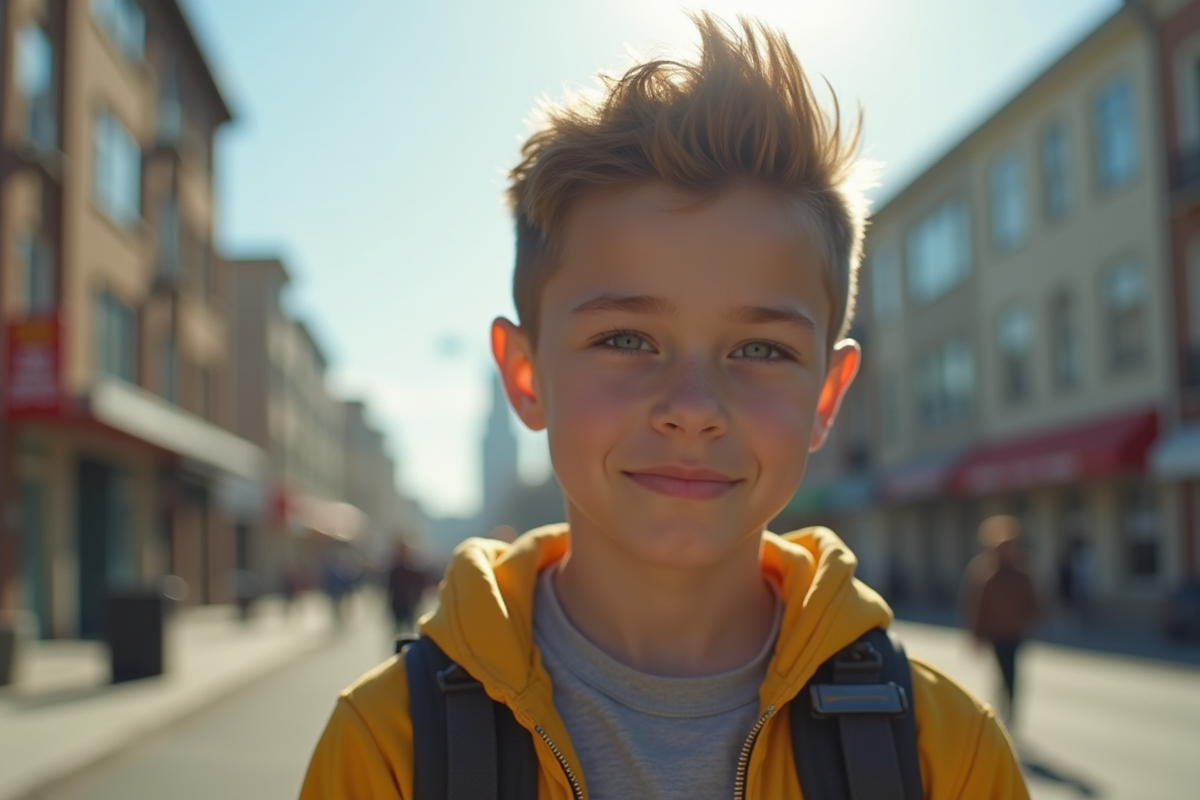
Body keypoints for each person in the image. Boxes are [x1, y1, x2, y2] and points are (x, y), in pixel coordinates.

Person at [300, 14, 1028, 799]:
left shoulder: (944, 755)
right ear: (525, 374)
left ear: (827, 397)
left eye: (760, 350)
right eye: (625, 339)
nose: (692, 409)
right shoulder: (388, 749)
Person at [962, 515, 1041, 729]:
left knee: (1012, 672)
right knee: (1001, 672)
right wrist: (976, 635)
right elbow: (977, 606)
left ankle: (1011, 710)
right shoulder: (984, 572)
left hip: (1014, 632)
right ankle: (1001, 709)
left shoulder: (1021, 571)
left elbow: (1031, 599)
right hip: (995, 633)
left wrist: (1035, 617)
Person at [386, 542, 429, 634]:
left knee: (409, 630)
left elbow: (420, 587)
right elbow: (390, 588)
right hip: (398, 603)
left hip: (410, 604)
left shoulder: (413, 570)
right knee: (397, 628)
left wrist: (418, 601)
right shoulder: (395, 570)